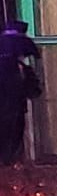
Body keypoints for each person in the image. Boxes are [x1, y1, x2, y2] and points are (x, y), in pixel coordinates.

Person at [0, 20, 42, 165]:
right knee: (11, 139)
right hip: (14, 110)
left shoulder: (19, 68)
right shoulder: (19, 69)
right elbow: (34, 91)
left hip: (13, 108)